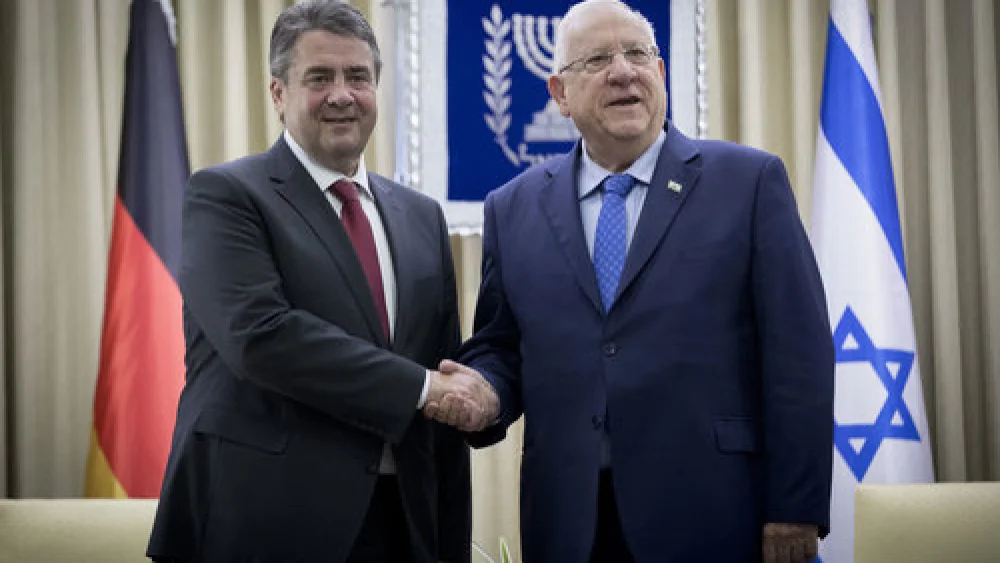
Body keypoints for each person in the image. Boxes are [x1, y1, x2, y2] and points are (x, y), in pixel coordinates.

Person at [427, 1, 835, 562]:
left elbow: (800, 352)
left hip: (713, 512)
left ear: (660, 75)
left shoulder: (748, 183)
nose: (623, 71)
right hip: (569, 521)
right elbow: (503, 346)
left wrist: (797, 503)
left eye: (638, 54)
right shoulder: (512, 207)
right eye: (596, 59)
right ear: (559, 94)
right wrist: (485, 393)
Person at [147, 2, 492, 562]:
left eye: (358, 76)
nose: (341, 94)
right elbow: (261, 337)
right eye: (319, 77)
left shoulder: (421, 215)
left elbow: (442, 361)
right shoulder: (227, 195)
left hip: (404, 522)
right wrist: (426, 388)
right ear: (278, 94)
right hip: (268, 522)